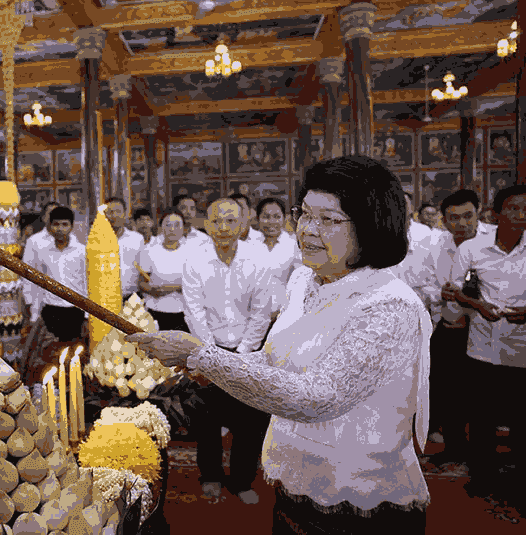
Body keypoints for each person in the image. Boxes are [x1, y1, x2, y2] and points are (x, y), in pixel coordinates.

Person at [127, 156, 432, 534]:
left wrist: (201, 356)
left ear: (371, 224)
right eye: (304, 214)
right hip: (297, 483)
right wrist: (208, 363)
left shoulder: (388, 304)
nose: (307, 230)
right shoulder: (306, 281)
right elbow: (275, 358)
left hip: (358, 504)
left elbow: (318, 396)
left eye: (329, 220)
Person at [182, 197, 284, 505]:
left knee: (250, 419)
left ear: (242, 224)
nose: (223, 227)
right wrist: (213, 355)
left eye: (230, 220)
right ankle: (210, 475)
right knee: (208, 418)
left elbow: (261, 312)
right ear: (206, 225)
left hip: (249, 351)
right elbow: (193, 311)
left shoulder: (258, 259)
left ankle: (242, 480)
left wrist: (240, 354)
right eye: (217, 221)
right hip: (208, 348)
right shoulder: (194, 260)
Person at [441, 185, 526, 511]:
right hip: (482, 346)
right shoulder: (473, 249)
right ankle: (483, 478)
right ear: (496, 214)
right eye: (514, 209)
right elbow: (453, 292)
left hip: (522, 348)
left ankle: (517, 482)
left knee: (520, 419)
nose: (520, 216)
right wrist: (476, 305)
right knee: (481, 418)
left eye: (525, 210)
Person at [426, 189, 495, 465]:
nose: (462, 224)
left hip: (485, 328)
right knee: (445, 390)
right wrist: (439, 292)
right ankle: (454, 448)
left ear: (479, 213)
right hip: (450, 325)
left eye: (468, 216)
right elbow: (426, 283)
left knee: (483, 395)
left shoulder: (496, 239)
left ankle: (483, 456)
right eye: (453, 218)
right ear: (443, 220)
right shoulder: (436, 245)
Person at [29, 206, 87, 342]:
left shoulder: (82, 252)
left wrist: (87, 317)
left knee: (75, 355)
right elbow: (38, 285)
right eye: (56, 224)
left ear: (72, 226)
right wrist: (34, 315)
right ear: (50, 226)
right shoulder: (42, 252)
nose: (60, 229)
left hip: (75, 312)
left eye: (65, 224)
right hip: (50, 311)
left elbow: (88, 285)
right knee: (50, 356)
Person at [137, 208, 191, 333]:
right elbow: (141, 282)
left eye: (177, 225)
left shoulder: (191, 252)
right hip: (155, 312)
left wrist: (170, 288)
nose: (172, 229)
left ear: (184, 228)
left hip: (183, 314)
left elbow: (196, 285)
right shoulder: (149, 251)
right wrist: (152, 290)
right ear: (161, 227)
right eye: (168, 225)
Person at [21, 201, 59, 321]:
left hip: (64, 303)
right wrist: (28, 300)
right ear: (43, 218)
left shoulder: (71, 240)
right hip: (40, 302)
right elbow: (26, 272)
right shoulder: (34, 241)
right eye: (50, 214)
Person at [104, 197, 145, 304]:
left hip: (132, 298)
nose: (114, 215)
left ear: (125, 214)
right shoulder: (96, 241)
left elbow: (143, 270)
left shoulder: (137, 239)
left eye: (118, 211)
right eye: (110, 212)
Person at [254, 198, 302, 285]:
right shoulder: (250, 244)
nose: (271, 222)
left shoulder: (294, 245)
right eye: (266, 217)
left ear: (284, 218)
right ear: (258, 218)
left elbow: (300, 278)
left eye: (277, 217)